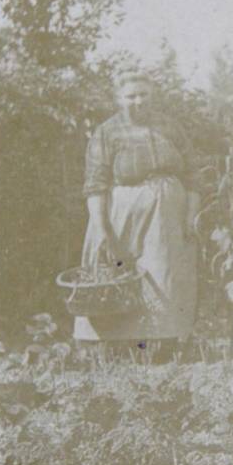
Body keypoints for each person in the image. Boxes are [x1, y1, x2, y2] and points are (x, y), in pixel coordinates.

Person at [73, 69, 200, 360]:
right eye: (131, 96)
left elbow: (193, 174)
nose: (138, 101)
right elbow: (95, 184)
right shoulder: (107, 132)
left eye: (144, 94)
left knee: (164, 272)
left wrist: (191, 213)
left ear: (153, 95)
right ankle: (112, 348)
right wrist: (102, 228)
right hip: (123, 208)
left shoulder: (171, 128)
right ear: (119, 98)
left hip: (168, 209)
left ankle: (163, 349)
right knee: (115, 269)